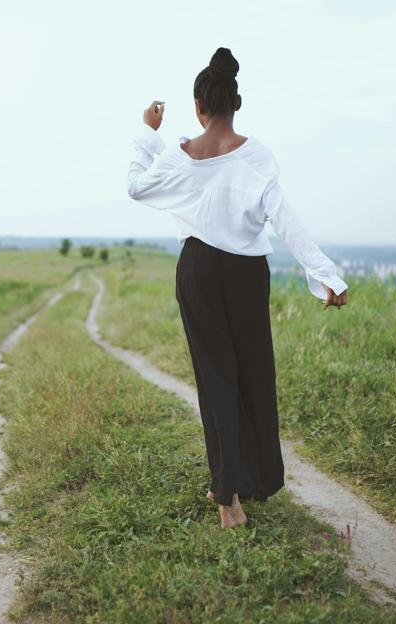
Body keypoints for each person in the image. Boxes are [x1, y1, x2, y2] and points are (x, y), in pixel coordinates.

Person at [126, 47, 348, 529]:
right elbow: (285, 218)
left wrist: (148, 132)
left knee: (216, 378)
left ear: (199, 107)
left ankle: (227, 491)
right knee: (251, 375)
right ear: (235, 105)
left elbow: (136, 187)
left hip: (199, 271)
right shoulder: (257, 155)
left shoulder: (181, 155)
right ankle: (235, 488)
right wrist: (326, 275)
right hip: (247, 275)